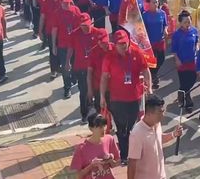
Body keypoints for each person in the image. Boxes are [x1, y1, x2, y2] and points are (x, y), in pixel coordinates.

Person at [100, 30, 152, 165]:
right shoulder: (109, 57)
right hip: (117, 99)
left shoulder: (136, 53)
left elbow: (146, 70)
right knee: (122, 128)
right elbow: (104, 78)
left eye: (125, 43)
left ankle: (131, 151)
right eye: (120, 44)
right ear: (115, 44)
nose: (123, 46)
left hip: (134, 97)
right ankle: (125, 155)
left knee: (132, 127)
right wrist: (102, 97)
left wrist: (149, 87)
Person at [127, 94, 183, 179]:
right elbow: (132, 162)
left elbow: (159, 139)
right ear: (149, 114)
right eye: (159, 112)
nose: (162, 115)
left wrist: (174, 134)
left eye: (163, 111)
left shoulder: (157, 123)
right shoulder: (137, 134)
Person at [67, 13, 101, 123]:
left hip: (95, 68)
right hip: (81, 67)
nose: (85, 28)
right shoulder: (75, 34)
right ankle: (84, 113)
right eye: (82, 26)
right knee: (84, 91)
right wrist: (67, 62)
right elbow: (71, 49)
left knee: (96, 90)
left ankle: (97, 111)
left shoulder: (97, 33)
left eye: (86, 25)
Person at [70, 113, 121, 179]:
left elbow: (117, 162)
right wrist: (91, 165)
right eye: (99, 127)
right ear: (91, 128)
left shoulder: (109, 139)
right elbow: (77, 176)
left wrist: (110, 160)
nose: (103, 129)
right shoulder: (81, 148)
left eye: (104, 126)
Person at [52, 0, 82, 98]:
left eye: (68, 2)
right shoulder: (57, 13)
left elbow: (81, 26)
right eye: (64, 2)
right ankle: (67, 88)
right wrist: (54, 45)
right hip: (63, 45)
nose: (66, 4)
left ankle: (73, 79)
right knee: (65, 67)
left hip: (75, 44)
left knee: (76, 65)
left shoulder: (76, 11)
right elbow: (55, 29)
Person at [171, 10, 199, 112]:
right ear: (180, 23)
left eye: (189, 21)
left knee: (192, 80)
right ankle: (188, 102)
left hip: (192, 61)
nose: (187, 24)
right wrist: (177, 59)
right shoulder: (176, 35)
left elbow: (196, 42)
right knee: (184, 82)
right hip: (182, 62)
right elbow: (174, 50)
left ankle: (181, 94)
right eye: (185, 22)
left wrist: (197, 49)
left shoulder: (194, 31)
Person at [142, 0, 168, 89]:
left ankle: (154, 73)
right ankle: (153, 76)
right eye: (154, 2)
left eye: (157, 2)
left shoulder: (162, 13)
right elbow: (142, 28)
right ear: (149, 4)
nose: (156, 4)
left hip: (160, 40)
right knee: (152, 60)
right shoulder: (145, 15)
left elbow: (165, 24)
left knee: (161, 59)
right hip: (150, 42)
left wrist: (165, 29)